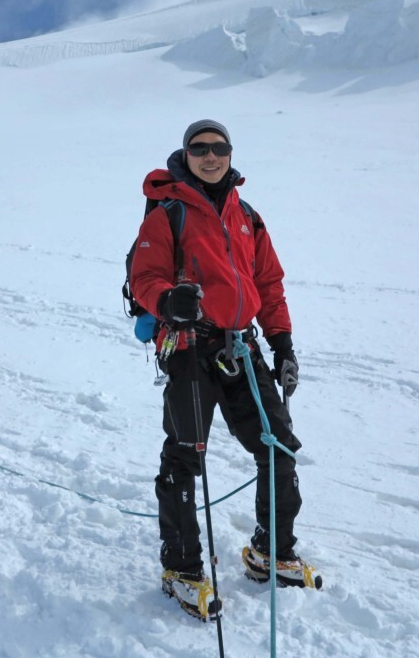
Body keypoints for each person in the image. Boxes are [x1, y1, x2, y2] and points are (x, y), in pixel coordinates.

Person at [129, 119, 313, 620]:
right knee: (185, 456)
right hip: (189, 345)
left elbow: (269, 282)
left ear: (230, 154)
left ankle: (269, 553)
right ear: (185, 154)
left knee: (277, 447)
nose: (210, 156)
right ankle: (182, 568)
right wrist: (168, 299)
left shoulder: (246, 214)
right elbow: (143, 276)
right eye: (200, 148)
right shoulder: (168, 214)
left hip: (241, 347)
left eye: (219, 148)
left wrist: (283, 345)